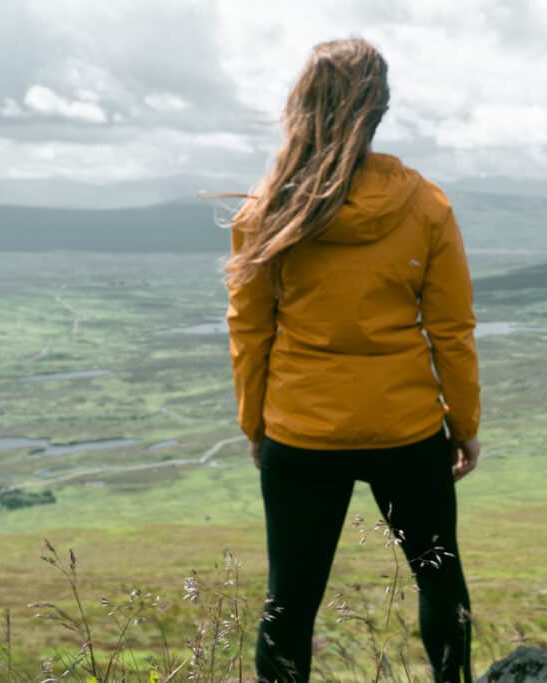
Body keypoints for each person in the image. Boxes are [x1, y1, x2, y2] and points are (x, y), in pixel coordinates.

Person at [221, 36, 481, 683]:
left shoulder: (269, 209)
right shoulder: (425, 204)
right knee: (439, 581)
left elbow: (250, 331)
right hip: (407, 430)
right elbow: (451, 329)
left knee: (289, 604)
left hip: (301, 433)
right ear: (380, 108)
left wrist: (256, 423)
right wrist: (465, 423)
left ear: (302, 105)